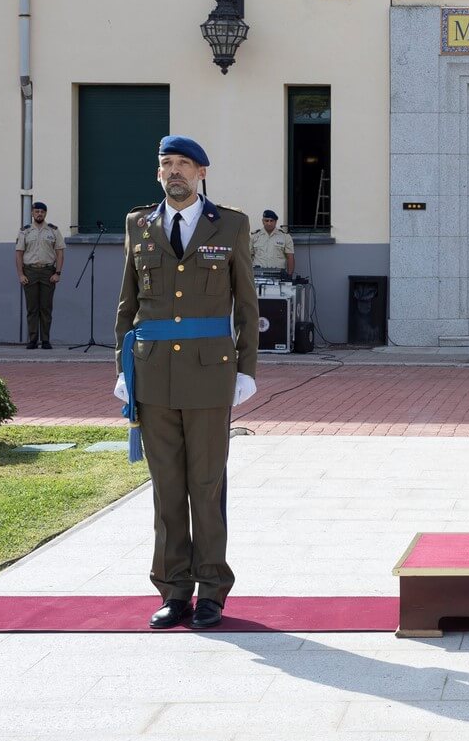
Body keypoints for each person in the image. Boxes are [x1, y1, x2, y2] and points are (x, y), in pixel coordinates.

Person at [113, 135, 260, 630]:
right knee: (167, 488)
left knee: (206, 484)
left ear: (201, 173)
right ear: (159, 173)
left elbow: (246, 302)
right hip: (153, 374)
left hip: (209, 374)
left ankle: (212, 589)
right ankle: (174, 590)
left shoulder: (231, 224)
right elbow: (127, 304)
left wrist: (246, 368)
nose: (174, 171)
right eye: (166, 164)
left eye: (183, 164)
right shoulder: (138, 224)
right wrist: (121, 369)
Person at [15, 201, 64, 349]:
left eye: (42, 212)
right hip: (29, 272)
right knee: (32, 308)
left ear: (45, 213)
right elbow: (19, 254)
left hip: (47, 272)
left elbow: (60, 253)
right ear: (32, 213)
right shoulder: (25, 231)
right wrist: (21, 274)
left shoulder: (53, 231)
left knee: (46, 308)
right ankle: (33, 340)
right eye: (36, 211)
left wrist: (57, 273)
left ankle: (46, 340)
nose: (39, 214)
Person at [251, 209, 295, 276]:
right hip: (258, 275)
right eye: (266, 221)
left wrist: (289, 276)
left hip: (278, 275)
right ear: (263, 221)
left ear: (276, 222)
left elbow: (290, 258)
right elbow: (248, 257)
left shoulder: (285, 237)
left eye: (271, 221)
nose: (269, 223)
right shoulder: (254, 236)